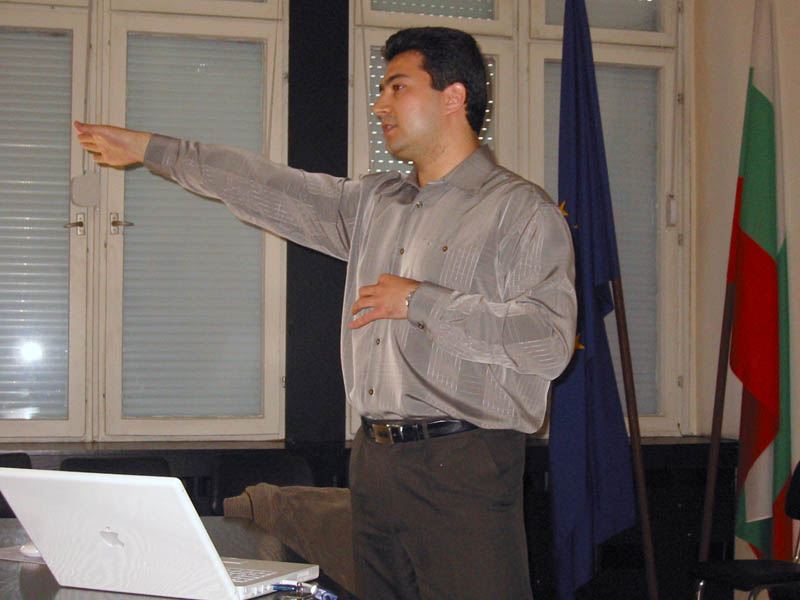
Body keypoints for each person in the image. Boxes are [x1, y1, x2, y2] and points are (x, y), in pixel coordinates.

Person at [75, 27, 576, 600]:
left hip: (464, 462)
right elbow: (269, 188)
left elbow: (548, 342)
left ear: (453, 97)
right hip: (375, 461)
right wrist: (152, 149)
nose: (379, 104)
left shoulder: (519, 212)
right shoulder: (376, 204)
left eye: (397, 87)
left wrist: (418, 300)